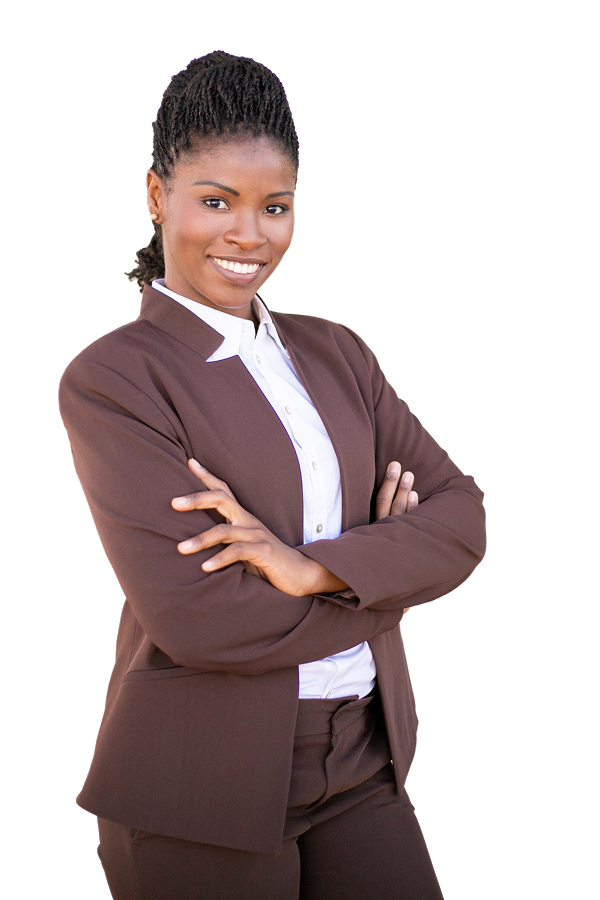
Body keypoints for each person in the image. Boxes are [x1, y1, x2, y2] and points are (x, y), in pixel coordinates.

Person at [58, 51, 486, 900]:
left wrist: (309, 569)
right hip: (197, 787)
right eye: (216, 201)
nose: (249, 234)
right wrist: (385, 589)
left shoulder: (338, 352)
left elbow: (462, 517)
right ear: (156, 196)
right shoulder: (116, 378)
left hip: (364, 762)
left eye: (275, 206)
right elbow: (202, 621)